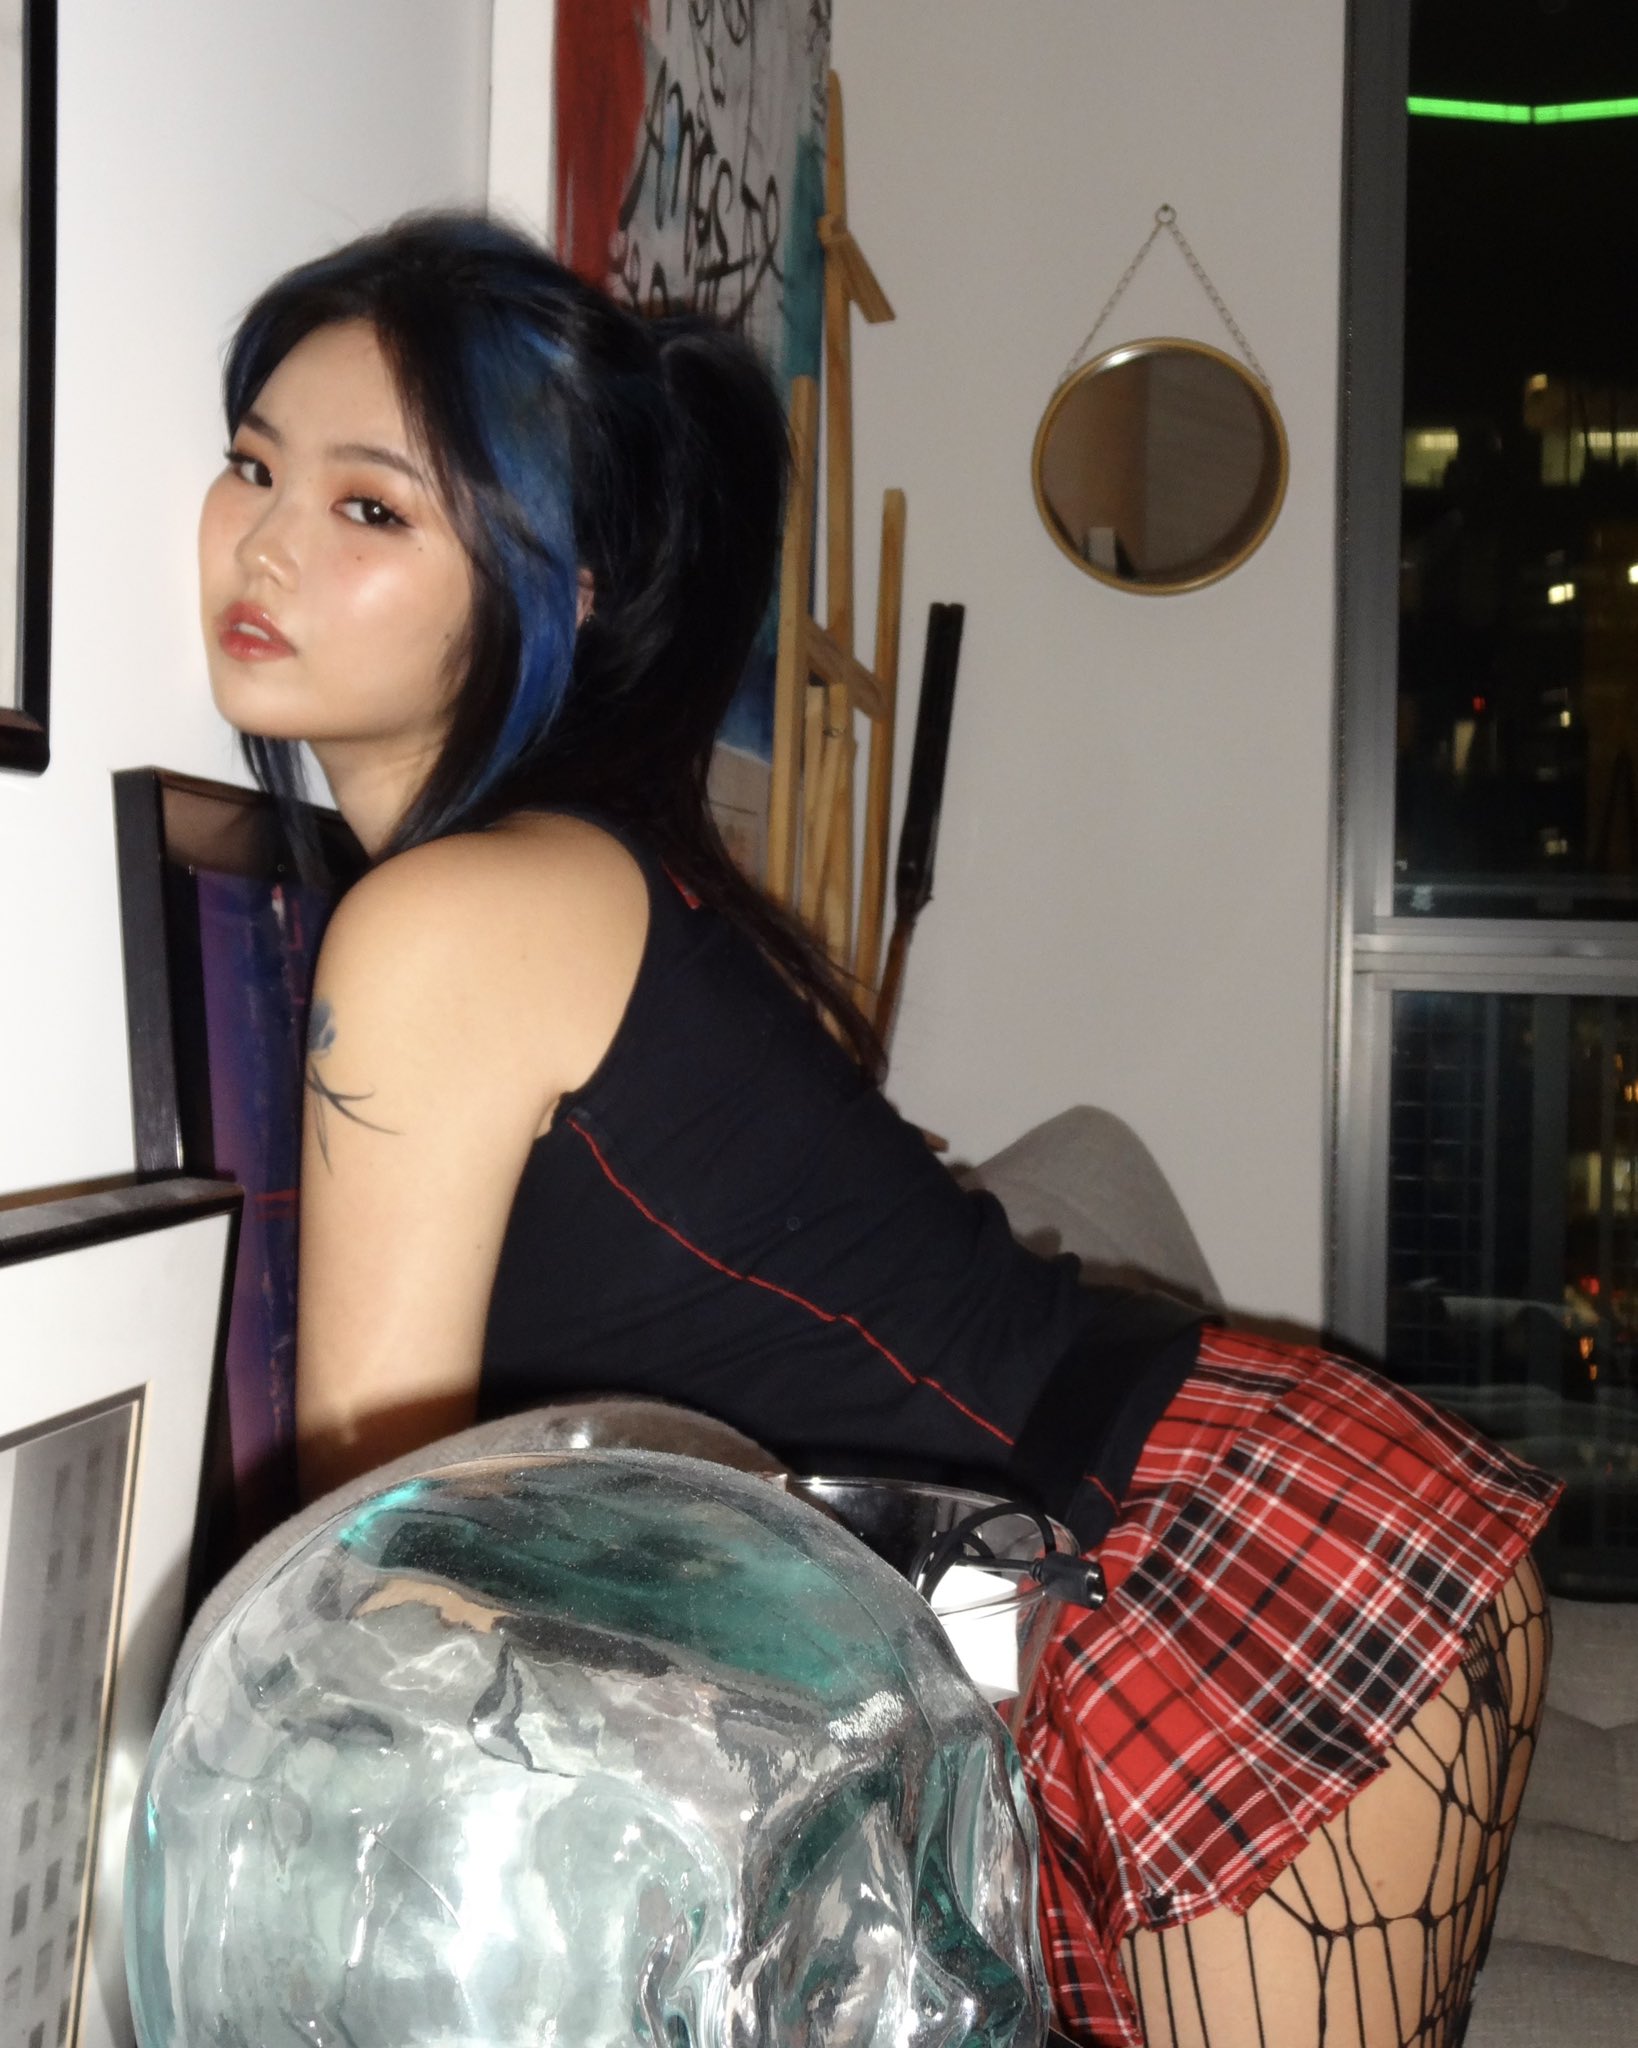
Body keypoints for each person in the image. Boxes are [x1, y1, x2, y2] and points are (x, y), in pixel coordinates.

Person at [199, 211, 1557, 2048]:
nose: (265, 541)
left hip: (1194, 1602)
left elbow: (366, 1565)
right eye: (253, 464)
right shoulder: (553, 872)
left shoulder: (449, 917)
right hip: (1148, 1562)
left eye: (368, 505)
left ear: (562, 588)